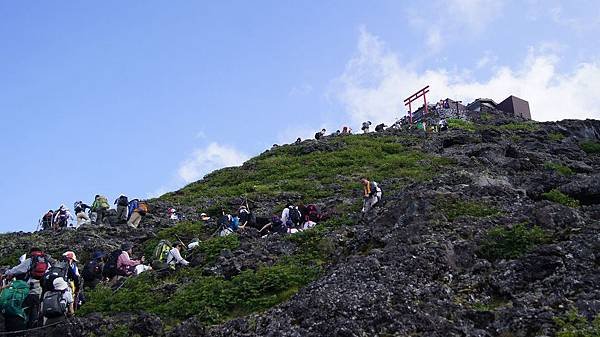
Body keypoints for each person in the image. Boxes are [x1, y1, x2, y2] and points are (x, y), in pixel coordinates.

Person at [2, 247, 54, 328]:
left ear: (31, 253)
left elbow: (17, 269)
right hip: (40, 290)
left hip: (28, 290)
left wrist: (6, 273)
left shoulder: (30, 260)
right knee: (36, 310)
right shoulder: (47, 262)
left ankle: (24, 328)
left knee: (25, 310)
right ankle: (33, 328)